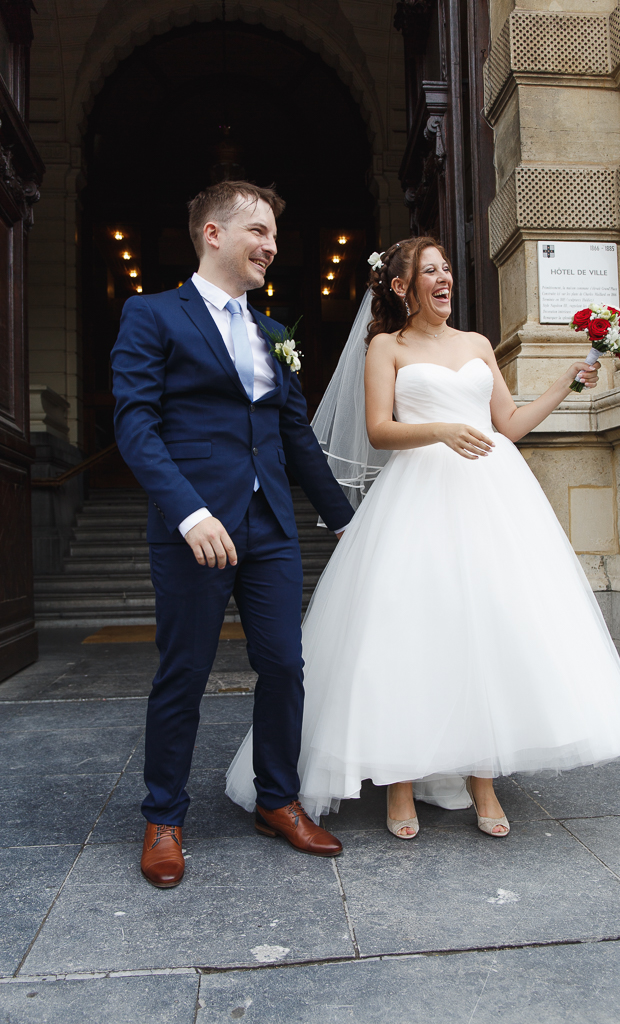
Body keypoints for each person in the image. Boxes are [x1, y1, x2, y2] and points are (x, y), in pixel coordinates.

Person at [225, 236, 620, 840]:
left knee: (485, 627)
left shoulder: (477, 345)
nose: (443, 277)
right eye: (429, 271)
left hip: (491, 497)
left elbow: (509, 425)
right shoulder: (385, 347)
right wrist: (442, 430)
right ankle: (400, 780)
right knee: (411, 631)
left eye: (447, 267)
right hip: (416, 498)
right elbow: (378, 430)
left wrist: (565, 382)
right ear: (401, 287)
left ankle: (482, 776)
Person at [111, 181, 354, 887]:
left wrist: (343, 518)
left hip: (270, 524)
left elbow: (293, 436)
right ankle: (163, 817)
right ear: (212, 233)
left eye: (275, 234)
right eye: (257, 230)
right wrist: (189, 512)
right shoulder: (151, 314)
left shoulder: (274, 334)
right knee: (182, 671)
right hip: (195, 526)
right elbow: (135, 423)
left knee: (283, 665)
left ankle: (277, 800)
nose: (271, 245)